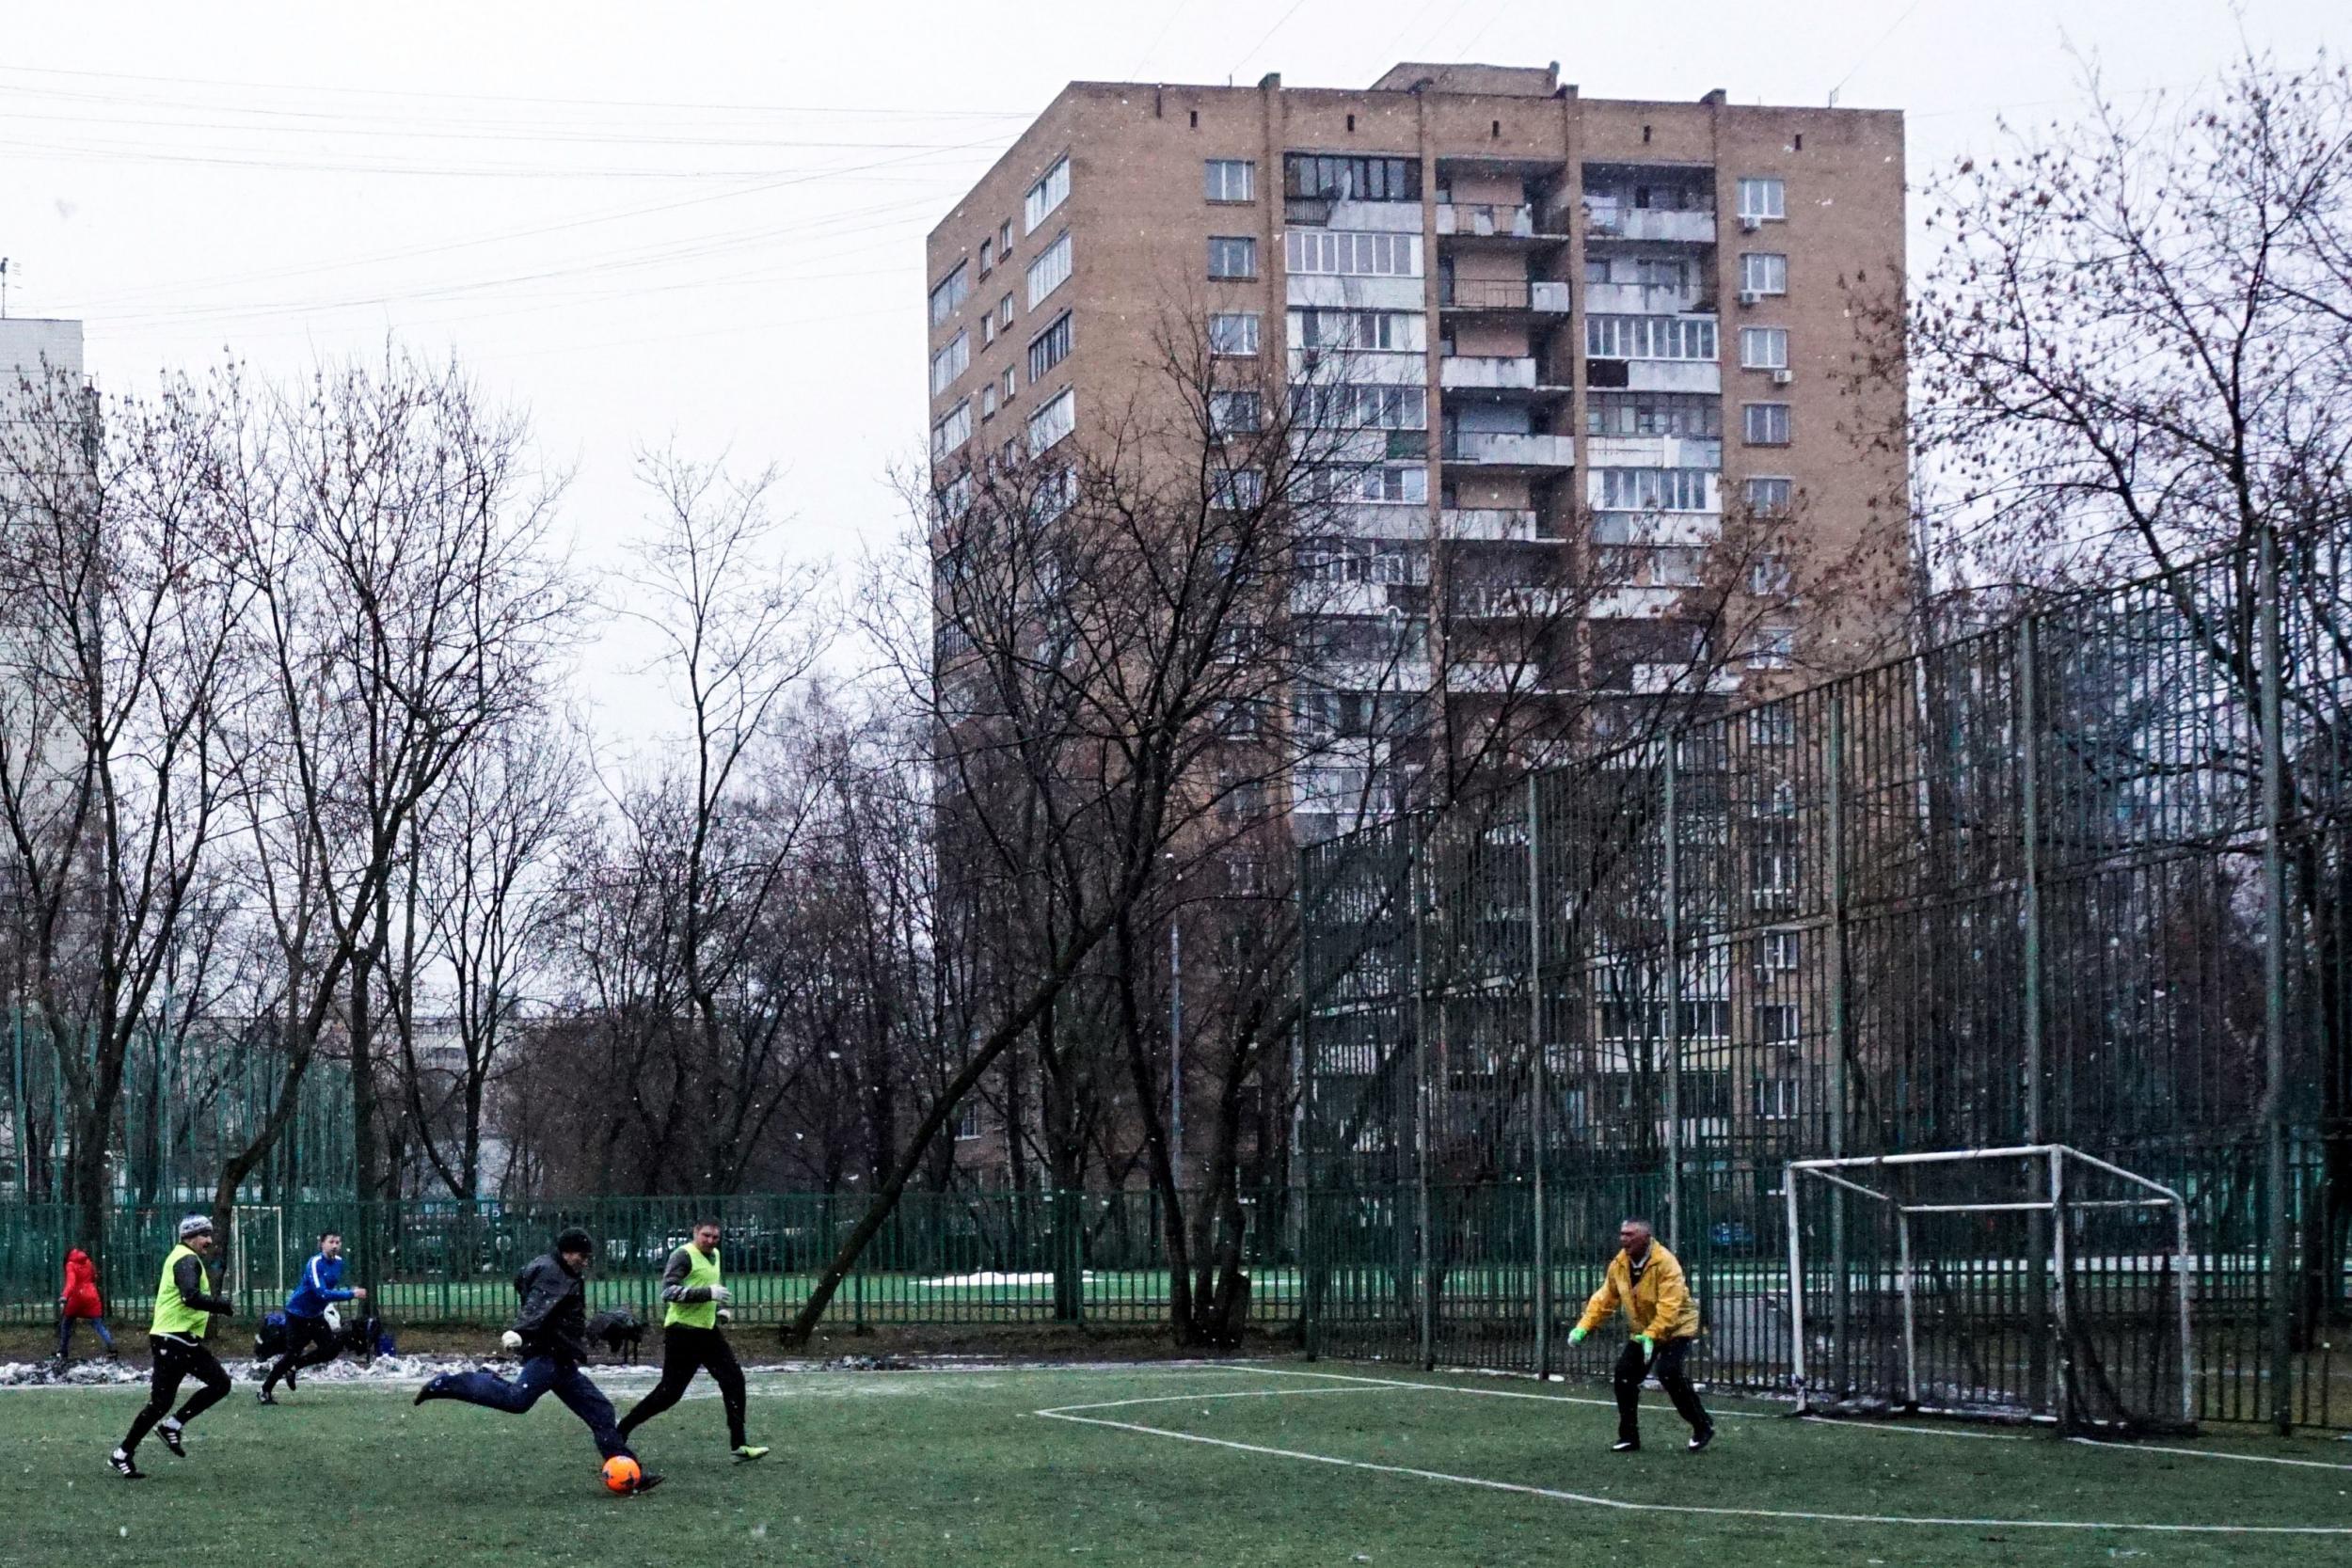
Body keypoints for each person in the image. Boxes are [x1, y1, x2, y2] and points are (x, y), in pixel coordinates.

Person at [413, 1227, 662, 1494]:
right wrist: (520, 1332)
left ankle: (629, 1474)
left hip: (563, 1359)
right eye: (582, 1255)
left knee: (601, 1411)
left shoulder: (564, 1271)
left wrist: (597, 1329)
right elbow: (536, 1307)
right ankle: (452, 1383)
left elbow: (562, 1315)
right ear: (567, 1252)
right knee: (516, 1400)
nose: (586, 1261)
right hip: (547, 1356)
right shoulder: (551, 1273)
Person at [616, 1220, 768, 1462]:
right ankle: (621, 1430)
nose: (710, 1241)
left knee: (734, 1381)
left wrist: (715, 1310)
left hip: (707, 1332)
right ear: (695, 1233)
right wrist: (708, 1294)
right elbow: (668, 1292)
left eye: (715, 1237)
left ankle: (739, 1445)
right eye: (706, 1235)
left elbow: (699, 1287)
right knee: (669, 1394)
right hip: (683, 1333)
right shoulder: (683, 1255)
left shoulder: (714, 1255)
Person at [1566, 1217, 1714, 1453]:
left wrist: (1653, 1335)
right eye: (1622, 1234)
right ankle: (1628, 1436)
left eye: (1630, 1235)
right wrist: (1584, 1326)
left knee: (1669, 1372)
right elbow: (1606, 1297)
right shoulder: (1619, 1263)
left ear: (1646, 1238)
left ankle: (1702, 1425)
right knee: (1623, 1376)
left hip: (1676, 1326)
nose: (1624, 1240)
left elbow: (1670, 1305)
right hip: (1642, 1330)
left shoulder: (1666, 1262)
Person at [110, 1214, 236, 1480]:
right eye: (204, 1235)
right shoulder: (186, 1259)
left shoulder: (184, 1257)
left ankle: (125, 1452)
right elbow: (189, 1297)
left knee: (161, 1402)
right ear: (190, 1237)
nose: (209, 1240)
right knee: (218, 1384)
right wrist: (220, 1305)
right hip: (174, 1338)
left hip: (177, 1338)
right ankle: (166, 1429)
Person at [257, 1229, 368, 1403]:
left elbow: (327, 1292)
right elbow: (321, 1293)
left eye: (338, 1242)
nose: (335, 1246)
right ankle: (265, 1390)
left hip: (315, 1315)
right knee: (292, 1353)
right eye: (331, 1242)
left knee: (330, 1349)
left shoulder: (339, 1262)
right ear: (322, 1244)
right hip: (297, 1314)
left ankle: (295, 1367)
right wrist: (351, 1294)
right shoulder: (315, 1263)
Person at [56, 1246, 119, 1362]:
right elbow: (94, 1276)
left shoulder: (70, 1264)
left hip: (77, 1297)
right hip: (92, 1296)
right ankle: (111, 1346)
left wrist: (65, 1295)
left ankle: (63, 1351)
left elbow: (71, 1282)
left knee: (66, 1324)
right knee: (98, 1325)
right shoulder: (88, 1261)